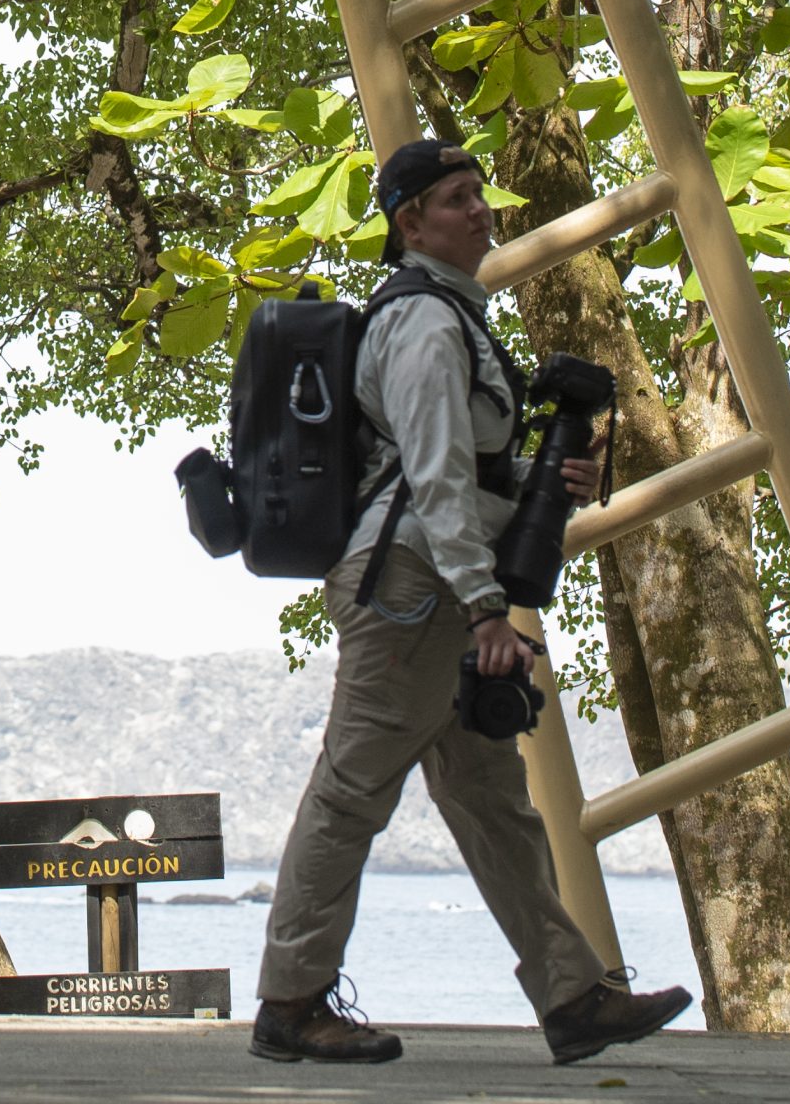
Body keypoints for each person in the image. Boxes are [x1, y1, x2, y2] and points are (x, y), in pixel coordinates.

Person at [252, 138, 690, 1069]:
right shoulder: (424, 325)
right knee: (351, 792)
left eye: (481, 195)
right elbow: (438, 482)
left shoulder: (451, 316)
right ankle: (290, 1003)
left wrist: (539, 476)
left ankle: (573, 997)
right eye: (458, 199)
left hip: (431, 583)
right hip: (413, 591)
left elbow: (456, 470)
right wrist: (489, 610)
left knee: (492, 802)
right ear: (410, 222)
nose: (482, 211)